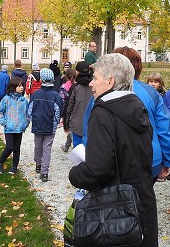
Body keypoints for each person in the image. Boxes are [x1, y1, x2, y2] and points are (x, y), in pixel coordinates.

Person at [68, 53, 158, 247]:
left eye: (95, 78)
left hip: (116, 214)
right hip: (142, 202)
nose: (91, 84)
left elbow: (98, 169)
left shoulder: (103, 113)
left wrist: (75, 174)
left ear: (110, 81)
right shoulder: (137, 107)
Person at [113, 46, 170, 184]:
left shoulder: (101, 91)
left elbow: (88, 128)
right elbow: (163, 128)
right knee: (143, 200)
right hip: (149, 159)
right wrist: (167, 159)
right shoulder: (151, 93)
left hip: (114, 161)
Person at [28, 68, 63, 182]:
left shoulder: (35, 94)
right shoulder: (56, 96)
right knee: (47, 148)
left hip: (37, 125)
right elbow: (58, 112)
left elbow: (30, 110)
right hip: (50, 126)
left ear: (42, 79)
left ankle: (38, 164)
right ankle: (44, 172)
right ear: (52, 80)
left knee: (38, 146)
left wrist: (31, 119)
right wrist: (56, 123)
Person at [0, 77, 29, 175]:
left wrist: (26, 123)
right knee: (9, 147)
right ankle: (0, 162)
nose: (21, 87)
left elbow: (27, 114)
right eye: (19, 86)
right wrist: (4, 122)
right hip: (9, 128)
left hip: (20, 129)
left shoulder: (24, 100)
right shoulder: (6, 99)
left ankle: (14, 166)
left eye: (22, 85)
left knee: (17, 148)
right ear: (13, 87)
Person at [64, 61, 94, 148]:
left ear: (77, 72)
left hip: (77, 125)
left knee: (78, 152)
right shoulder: (95, 86)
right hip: (91, 125)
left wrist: (66, 124)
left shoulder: (75, 88)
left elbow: (68, 107)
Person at [60, 67, 77, 153]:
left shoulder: (64, 86)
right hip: (77, 110)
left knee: (70, 129)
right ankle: (66, 145)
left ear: (66, 76)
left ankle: (76, 148)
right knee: (72, 128)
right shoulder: (78, 85)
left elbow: (62, 99)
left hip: (68, 110)